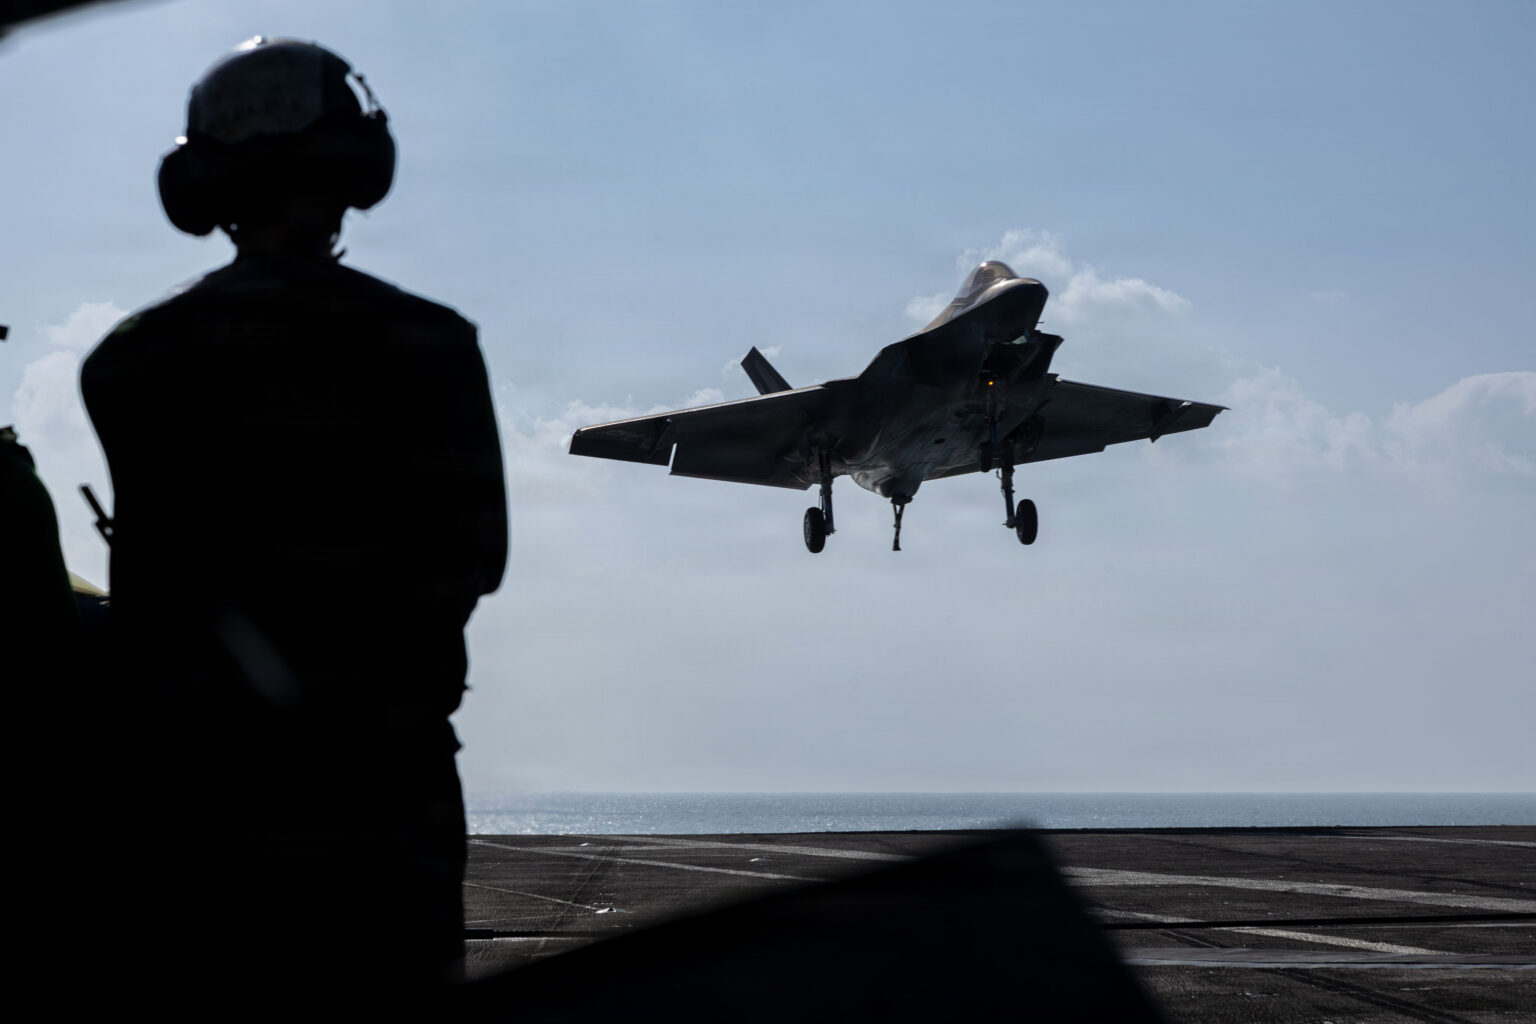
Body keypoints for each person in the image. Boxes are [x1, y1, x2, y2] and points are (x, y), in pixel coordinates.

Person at [80, 37, 507, 1006]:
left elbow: (150, 589)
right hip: (386, 799)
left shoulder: (127, 363)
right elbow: (478, 558)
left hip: (197, 805)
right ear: (352, 161)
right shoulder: (433, 345)